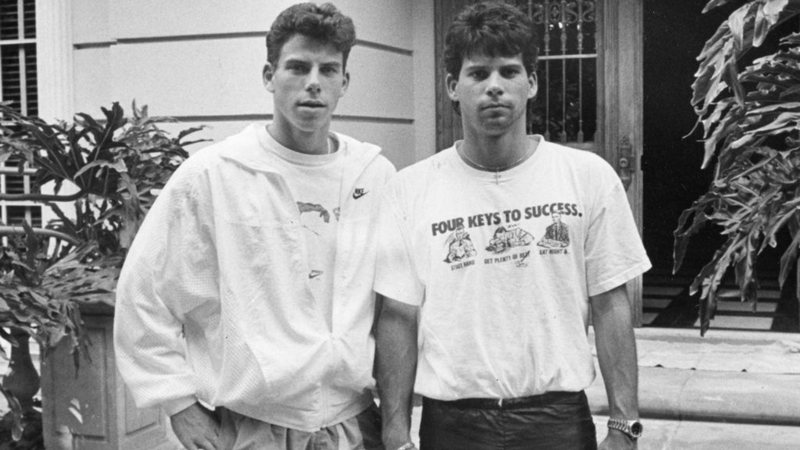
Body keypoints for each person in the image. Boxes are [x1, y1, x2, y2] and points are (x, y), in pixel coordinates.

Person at [114, 3, 395, 449]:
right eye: (298, 68)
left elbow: (395, 303)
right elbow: (144, 294)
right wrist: (178, 405)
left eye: (328, 70)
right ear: (269, 76)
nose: (313, 84)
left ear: (345, 82)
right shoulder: (216, 173)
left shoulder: (373, 176)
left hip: (353, 424)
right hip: (251, 426)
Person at [374, 2, 650, 450]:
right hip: (453, 425)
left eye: (509, 72)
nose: (495, 88)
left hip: (557, 421)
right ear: (452, 86)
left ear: (532, 82)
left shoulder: (586, 176)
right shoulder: (411, 190)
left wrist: (624, 425)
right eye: (478, 74)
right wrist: (394, 433)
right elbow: (397, 320)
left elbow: (610, 303)